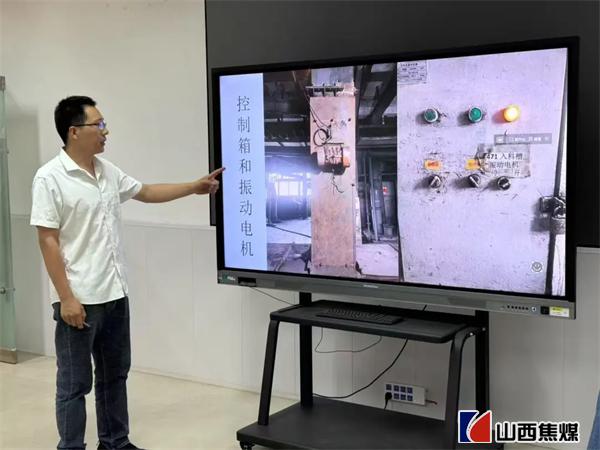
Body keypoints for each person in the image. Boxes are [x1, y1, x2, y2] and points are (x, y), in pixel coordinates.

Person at [30, 96, 224, 450]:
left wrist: (193, 188)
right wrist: (67, 298)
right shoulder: (50, 178)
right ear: (74, 132)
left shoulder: (106, 171)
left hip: (115, 294)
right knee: (74, 384)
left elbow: (146, 192)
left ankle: (115, 443)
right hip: (79, 300)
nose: (106, 132)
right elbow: (48, 240)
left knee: (115, 376)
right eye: (99, 125)